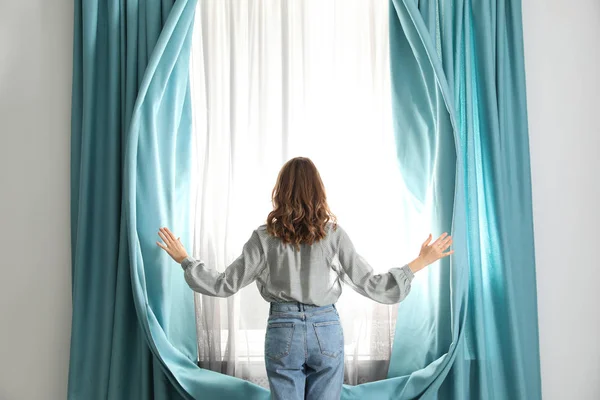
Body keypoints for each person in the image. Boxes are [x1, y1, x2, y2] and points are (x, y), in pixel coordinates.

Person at [156, 157, 453, 400]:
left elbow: (224, 284)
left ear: (280, 191)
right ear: (318, 192)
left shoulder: (264, 237)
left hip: (283, 329)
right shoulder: (333, 234)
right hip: (326, 328)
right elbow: (373, 285)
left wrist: (185, 259)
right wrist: (420, 262)